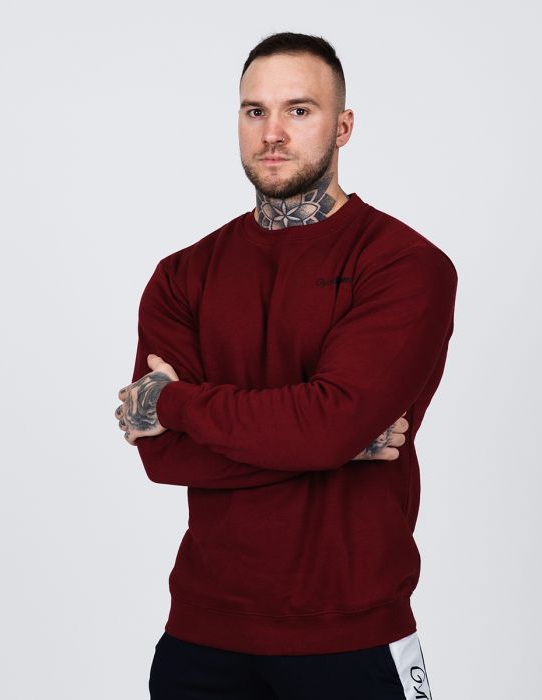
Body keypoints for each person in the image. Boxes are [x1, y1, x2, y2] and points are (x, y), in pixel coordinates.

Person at [114, 31, 456, 700]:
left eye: (299, 110)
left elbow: (323, 428)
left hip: (350, 635)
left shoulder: (404, 265)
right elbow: (163, 457)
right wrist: (333, 441)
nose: (272, 132)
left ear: (343, 127)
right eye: (255, 111)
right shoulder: (182, 275)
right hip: (200, 639)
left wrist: (174, 404)